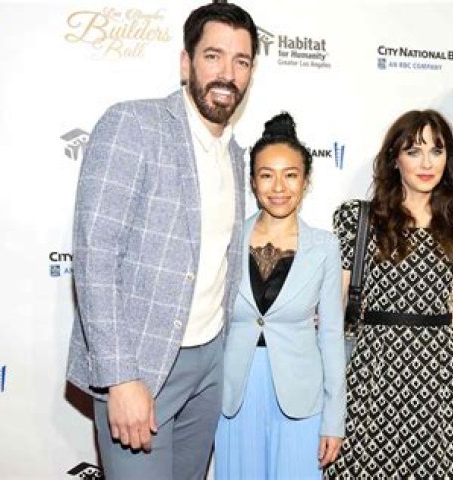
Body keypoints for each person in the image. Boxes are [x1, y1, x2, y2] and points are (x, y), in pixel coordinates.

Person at [65, 3, 258, 479]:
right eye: (213, 56)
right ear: (185, 62)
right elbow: (95, 256)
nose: (227, 73)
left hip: (208, 366)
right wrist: (120, 378)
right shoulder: (133, 125)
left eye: (241, 61)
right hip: (142, 367)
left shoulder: (234, 154)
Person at [325, 110, 453, 478]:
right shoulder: (359, 219)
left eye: (437, 150)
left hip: (442, 377)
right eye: (414, 151)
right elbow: (336, 310)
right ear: (394, 159)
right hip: (372, 375)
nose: (427, 163)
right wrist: (328, 393)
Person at [214, 112, 346, 479]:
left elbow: (331, 336)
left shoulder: (325, 247)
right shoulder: (227, 239)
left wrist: (334, 418)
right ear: (252, 182)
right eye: (266, 175)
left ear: (305, 181)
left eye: (290, 175)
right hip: (235, 393)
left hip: (301, 395)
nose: (278, 187)